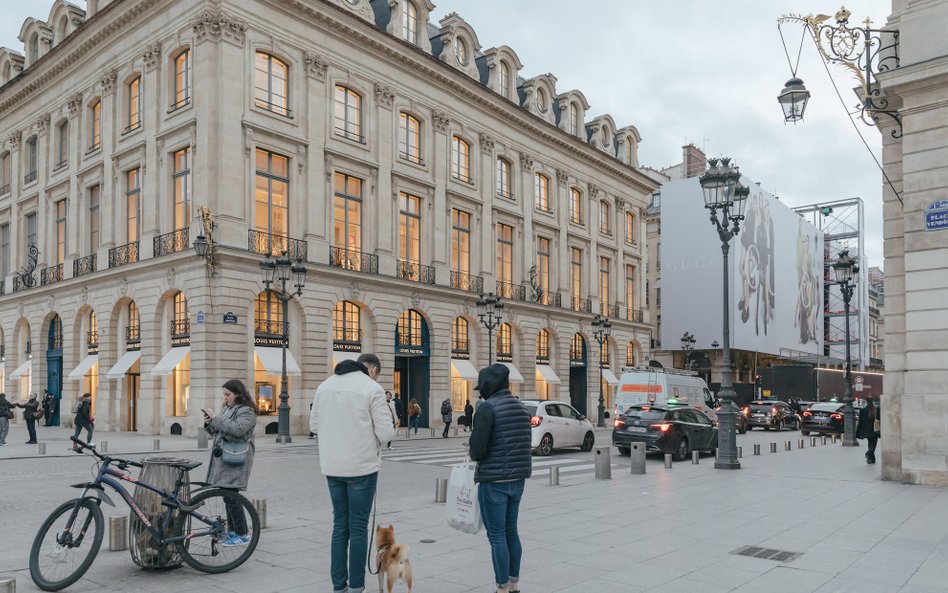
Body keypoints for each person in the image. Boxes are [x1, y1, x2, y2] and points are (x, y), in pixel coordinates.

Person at [311, 353, 395, 593]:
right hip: (362, 466)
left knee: (340, 526)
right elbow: (386, 434)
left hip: (332, 467)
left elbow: (313, 426)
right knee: (358, 527)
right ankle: (357, 586)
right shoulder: (371, 388)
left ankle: (339, 586)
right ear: (369, 370)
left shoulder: (324, 386)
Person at [468, 364, 532, 593]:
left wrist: (473, 453)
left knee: (496, 536)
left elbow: (477, 449)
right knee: (511, 531)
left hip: (494, 480)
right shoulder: (521, 407)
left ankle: (502, 588)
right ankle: (514, 584)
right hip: (518, 479)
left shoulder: (487, 408)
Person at [203, 379, 257, 546]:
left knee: (232, 496)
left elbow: (237, 429)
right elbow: (219, 431)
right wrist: (209, 424)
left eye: (228, 394)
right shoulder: (228, 409)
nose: (225, 398)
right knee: (228, 495)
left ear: (238, 394)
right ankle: (233, 531)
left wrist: (216, 419)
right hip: (225, 456)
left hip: (237, 457)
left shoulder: (247, 411)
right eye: (224, 395)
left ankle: (242, 533)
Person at [857, 399, 880, 464]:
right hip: (875, 430)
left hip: (866, 431)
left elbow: (860, 422)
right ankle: (868, 453)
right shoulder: (877, 410)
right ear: (873, 402)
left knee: (870, 444)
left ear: (866, 402)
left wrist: (858, 431)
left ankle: (871, 459)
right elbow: (880, 420)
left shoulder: (863, 410)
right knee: (873, 445)